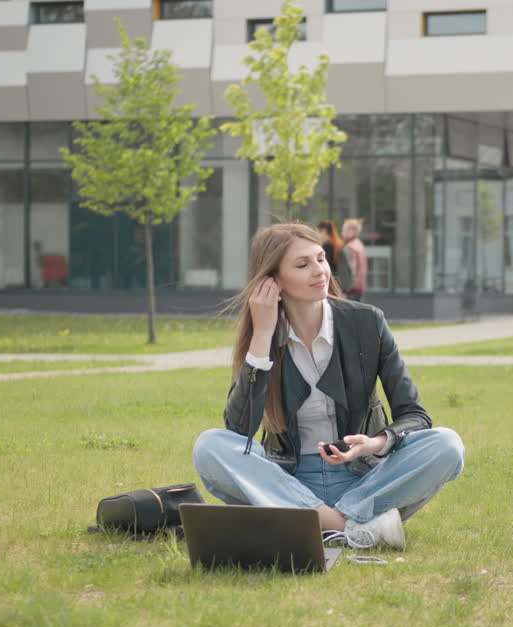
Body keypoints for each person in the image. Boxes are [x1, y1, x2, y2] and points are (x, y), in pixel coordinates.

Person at [192, 223, 464, 550]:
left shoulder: (366, 322)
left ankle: (317, 525)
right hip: (288, 484)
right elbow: (238, 432)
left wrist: (375, 443)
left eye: (321, 259)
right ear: (272, 280)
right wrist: (263, 336)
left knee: (447, 445)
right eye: (303, 264)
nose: (320, 271)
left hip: (366, 481)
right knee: (210, 446)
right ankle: (348, 528)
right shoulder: (263, 338)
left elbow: (415, 415)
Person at [316, 219, 352, 293]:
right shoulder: (338, 244)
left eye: (318, 232)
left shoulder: (327, 245)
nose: (317, 235)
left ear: (324, 231)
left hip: (333, 284)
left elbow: (327, 265)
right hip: (340, 283)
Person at [340, 218, 368, 302]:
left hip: (350, 292)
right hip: (359, 290)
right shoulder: (359, 245)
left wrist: (344, 291)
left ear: (352, 231)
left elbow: (350, 271)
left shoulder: (350, 247)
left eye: (344, 230)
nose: (342, 233)